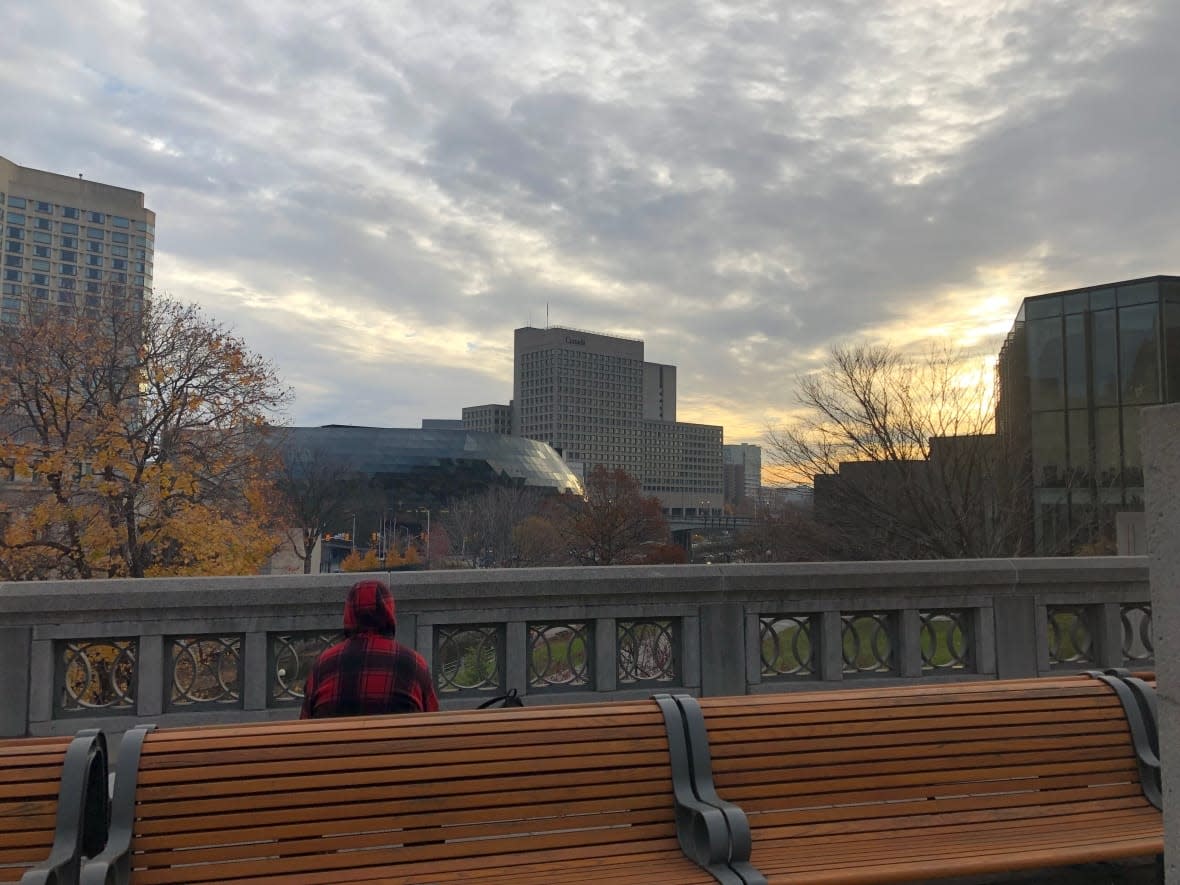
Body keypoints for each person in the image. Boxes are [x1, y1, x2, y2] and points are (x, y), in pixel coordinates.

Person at [300, 578, 439, 718]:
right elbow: (433, 722)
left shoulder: (323, 666)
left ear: (349, 614)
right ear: (389, 611)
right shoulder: (415, 664)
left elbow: (304, 722)